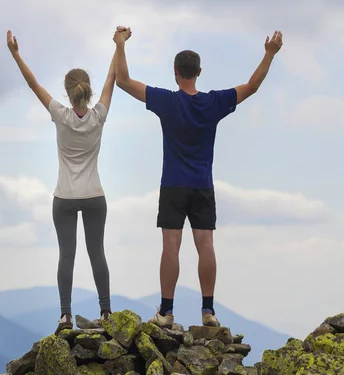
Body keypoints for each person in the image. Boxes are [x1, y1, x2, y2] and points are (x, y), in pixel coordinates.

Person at [112, 27, 283, 328]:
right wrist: (269, 54)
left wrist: (120, 44)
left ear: (175, 72)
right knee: (205, 244)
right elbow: (252, 86)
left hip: (173, 185)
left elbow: (123, 81)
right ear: (199, 72)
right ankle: (208, 311)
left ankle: (165, 312)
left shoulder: (167, 101)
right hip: (203, 185)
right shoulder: (213, 102)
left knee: (170, 244)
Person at [7, 29, 128, 334]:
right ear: (87, 90)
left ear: (67, 90)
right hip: (94, 195)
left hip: (64, 197)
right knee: (97, 251)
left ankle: (65, 316)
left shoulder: (60, 115)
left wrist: (15, 53)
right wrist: (119, 45)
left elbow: (33, 84)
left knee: (67, 255)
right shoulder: (98, 115)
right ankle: (106, 311)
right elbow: (112, 79)